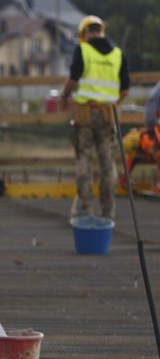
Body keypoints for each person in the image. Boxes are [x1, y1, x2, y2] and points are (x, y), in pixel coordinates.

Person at [61, 15, 130, 220]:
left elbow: (73, 80)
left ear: (84, 34)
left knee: (84, 159)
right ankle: (108, 211)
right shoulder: (118, 54)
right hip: (108, 115)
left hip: (85, 114)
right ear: (102, 31)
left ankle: (83, 206)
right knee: (108, 164)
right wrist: (110, 103)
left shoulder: (83, 50)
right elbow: (125, 91)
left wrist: (64, 97)